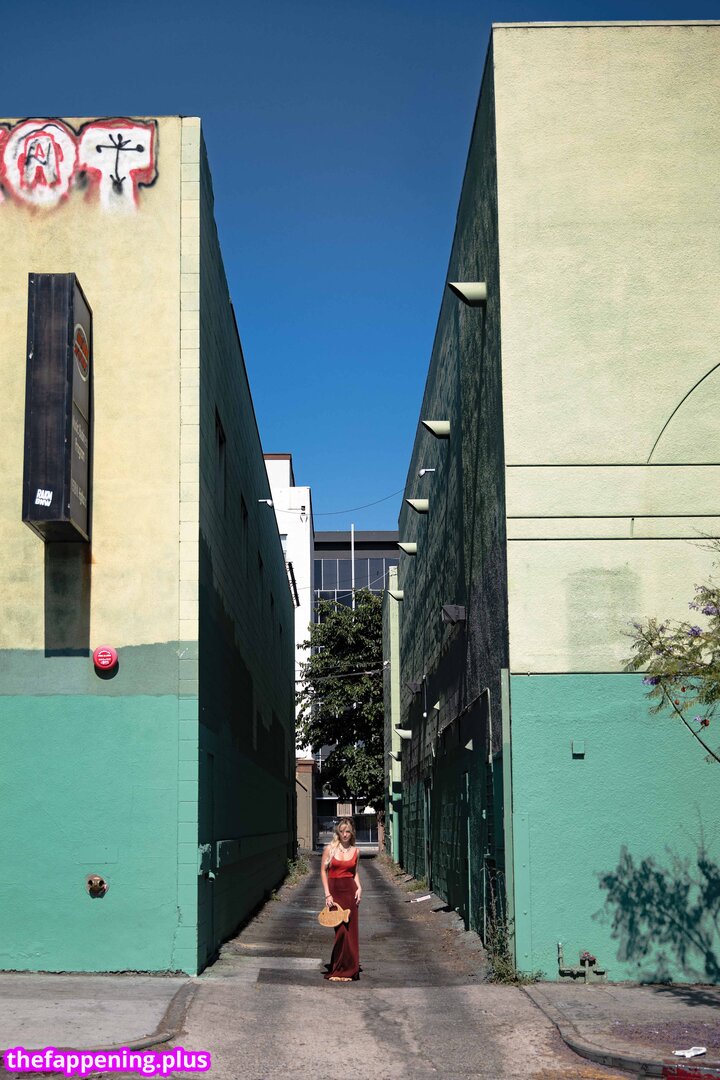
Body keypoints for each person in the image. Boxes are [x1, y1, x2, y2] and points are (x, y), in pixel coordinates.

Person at [320, 817, 362, 981]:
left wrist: (360, 887)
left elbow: (354, 872)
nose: (345, 834)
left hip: (350, 892)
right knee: (340, 932)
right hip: (335, 892)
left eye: (348, 832)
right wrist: (327, 894)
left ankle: (350, 970)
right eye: (342, 831)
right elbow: (323, 871)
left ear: (352, 833)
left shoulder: (356, 851)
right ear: (338, 832)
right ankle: (338, 969)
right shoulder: (330, 849)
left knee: (351, 932)